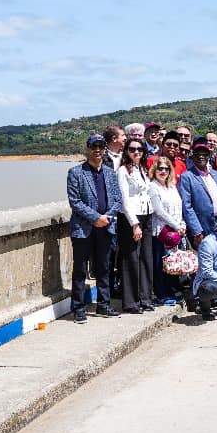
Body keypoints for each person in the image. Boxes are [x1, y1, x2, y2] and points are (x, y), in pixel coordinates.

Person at [67, 135, 123, 323]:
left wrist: (105, 218)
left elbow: (117, 200)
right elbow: (75, 202)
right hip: (84, 228)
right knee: (80, 269)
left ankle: (103, 305)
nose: (97, 150)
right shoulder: (76, 172)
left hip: (106, 227)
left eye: (101, 146)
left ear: (105, 149)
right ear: (87, 148)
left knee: (104, 268)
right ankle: (78, 308)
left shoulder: (110, 173)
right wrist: (95, 218)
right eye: (94, 146)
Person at [116, 137, 154, 313]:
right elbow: (124, 200)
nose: (136, 152)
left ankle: (145, 298)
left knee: (146, 258)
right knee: (131, 259)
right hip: (132, 218)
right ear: (126, 151)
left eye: (140, 149)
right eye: (132, 149)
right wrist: (134, 224)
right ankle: (131, 302)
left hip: (147, 215)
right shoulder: (123, 171)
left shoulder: (143, 169)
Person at [147, 154, 186, 306]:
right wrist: (177, 226)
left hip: (176, 232)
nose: (163, 171)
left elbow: (179, 208)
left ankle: (170, 291)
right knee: (160, 265)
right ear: (154, 170)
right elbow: (159, 211)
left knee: (171, 265)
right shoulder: (152, 186)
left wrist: (182, 225)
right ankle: (161, 294)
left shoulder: (172, 186)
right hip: (161, 232)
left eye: (166, 168)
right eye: (160, 168)